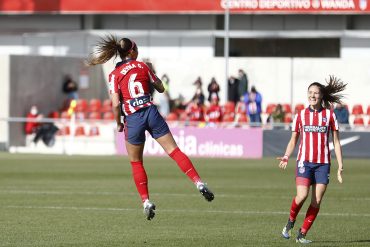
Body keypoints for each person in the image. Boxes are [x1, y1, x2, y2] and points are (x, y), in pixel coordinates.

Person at [86, 35, 214, 220]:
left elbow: (115, 104)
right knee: (174, 151)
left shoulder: (114, 74)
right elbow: (161, 88)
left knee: (136, 162)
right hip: (150, 113)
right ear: (131, 51)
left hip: (133, 119)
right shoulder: (143, 66)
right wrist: (154, 83)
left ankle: (146, 201)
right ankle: (199, 182)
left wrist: (119, 123)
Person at [277, 76, 346, 244]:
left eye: (316, 93)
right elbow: (293, 140)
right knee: (302, 196)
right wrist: (286, 156)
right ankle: (290, 222)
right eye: (310, 93)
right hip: (304, 162)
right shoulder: (300, 115)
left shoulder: (330, 115)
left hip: (323, 163)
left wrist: (340, 165)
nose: (312, 96)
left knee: (317, 201)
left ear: (322, 96)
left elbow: (336, 141)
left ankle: (302, 234)